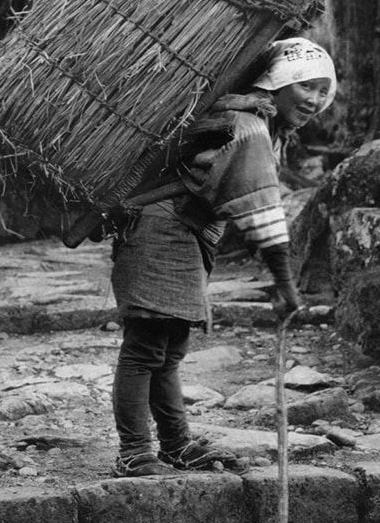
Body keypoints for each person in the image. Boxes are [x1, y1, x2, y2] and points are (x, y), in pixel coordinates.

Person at [109, 35, 337, 477]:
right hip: (162, 228)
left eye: (322, 89)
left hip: (183, 230)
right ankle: (134, 452)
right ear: (278, 82)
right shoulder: (248, 126)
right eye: (305, 85)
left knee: (169, 348)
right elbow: (262, 209)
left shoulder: (258, 123)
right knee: (145, 347)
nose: (314, 99)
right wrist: (285, 284)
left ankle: (174, 444)